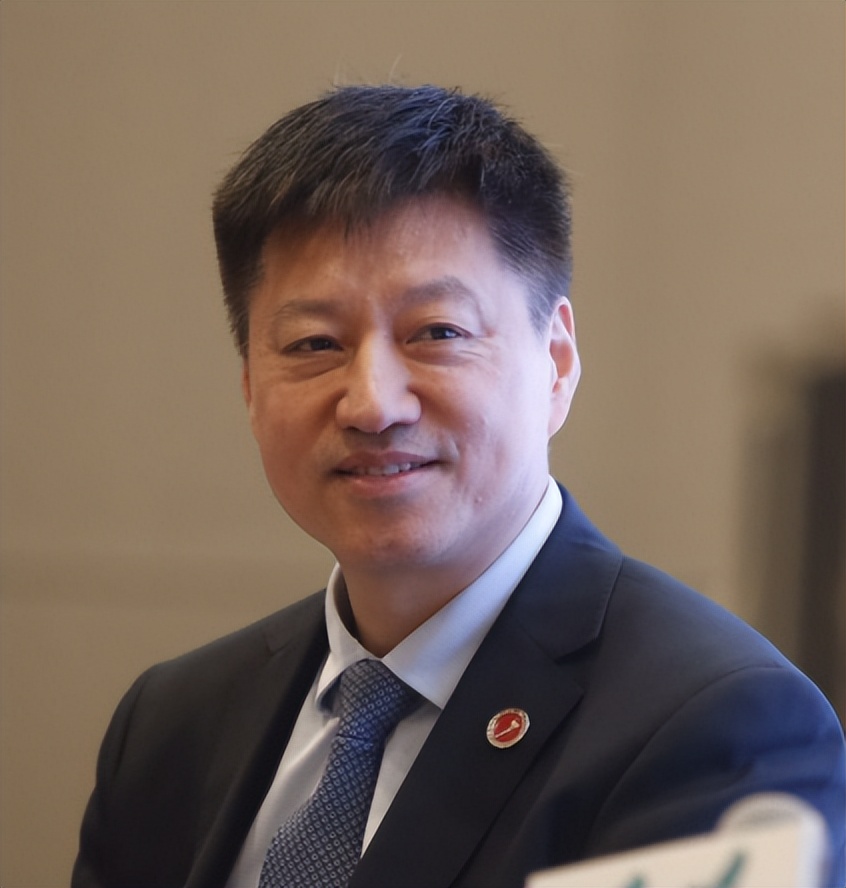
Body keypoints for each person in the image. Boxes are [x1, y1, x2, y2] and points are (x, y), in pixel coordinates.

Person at [72, 84, 846, 888]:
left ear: (556, 363)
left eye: (437, 332)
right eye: (314, 344)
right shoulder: (172, 723)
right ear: (248, 387)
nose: (373, 404)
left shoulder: (713, 724)